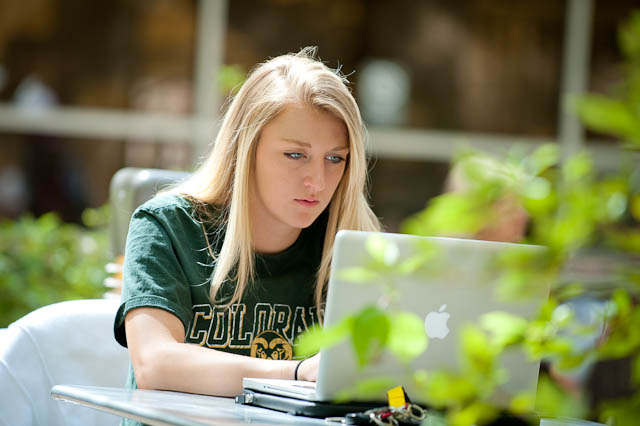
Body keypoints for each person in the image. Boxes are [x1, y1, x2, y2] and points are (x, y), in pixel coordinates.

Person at [113, 47, 382, 408]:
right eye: (295, 155)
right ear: (245, 148)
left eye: (335, 158)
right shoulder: (167, 226)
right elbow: (155, 364)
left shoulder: (350, 245)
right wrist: (297, 373)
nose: (317, 181)